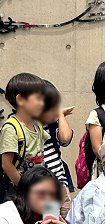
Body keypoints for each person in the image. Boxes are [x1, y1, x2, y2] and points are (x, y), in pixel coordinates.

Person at [0, 73, 48, 201]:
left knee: (50, 215)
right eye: (38, 98)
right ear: (20, 100)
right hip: (19, 192)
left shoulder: (37, 124)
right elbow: (7, 165)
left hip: (40, 185)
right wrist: (26, 190)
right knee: (23, 220)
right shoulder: (11, 128)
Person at [39, 80, 75, 208]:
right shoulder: (29, 125)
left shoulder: (52, 123)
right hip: (44, 185)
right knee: (52, 223)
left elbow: (65, 138)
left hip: (60, 182)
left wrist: (60, 115)